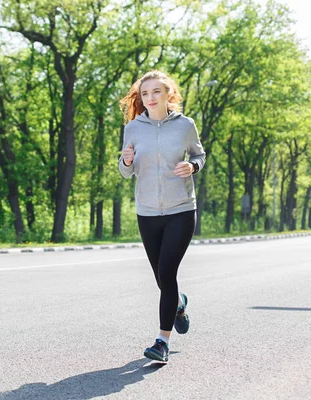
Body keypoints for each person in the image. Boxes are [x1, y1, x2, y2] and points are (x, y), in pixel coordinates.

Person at [118, 70, 206, 362]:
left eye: (156, 92)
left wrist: (192, 166)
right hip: (148, 212)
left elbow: (199, 154)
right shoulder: (133, 128)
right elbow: (125, 170)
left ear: (168, 94)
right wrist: (126, 161)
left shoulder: (185, 126)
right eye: (145, 93)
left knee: (167, 272)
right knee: (161, 277)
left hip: (181, 208)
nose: (150, 98)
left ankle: (161, 342)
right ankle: (178, 303)